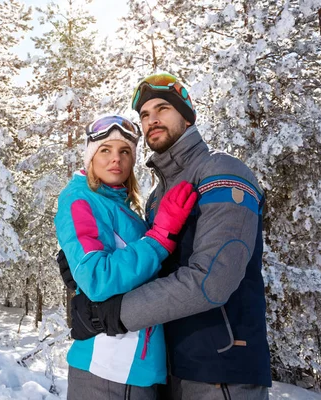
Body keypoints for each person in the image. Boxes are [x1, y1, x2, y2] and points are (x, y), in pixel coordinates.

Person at [58, 73, 272, 400]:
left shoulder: (222, 171)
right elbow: (153, 268)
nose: (152, 119)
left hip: (221, 368)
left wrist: (112, 314)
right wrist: (80, 273)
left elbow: (212, 280)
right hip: (170, 369)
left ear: (186, 116)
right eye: (144, 115)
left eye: (163, 108)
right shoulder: (158, 197)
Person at [55, 115, 197, 400]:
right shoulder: (81, 199)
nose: (115, 159)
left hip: (133, 366)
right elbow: (96, 278)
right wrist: (159, 237)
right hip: (109, 368)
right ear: (90, 157)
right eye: (105, 150)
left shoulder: (118, 204)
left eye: (125, 151)